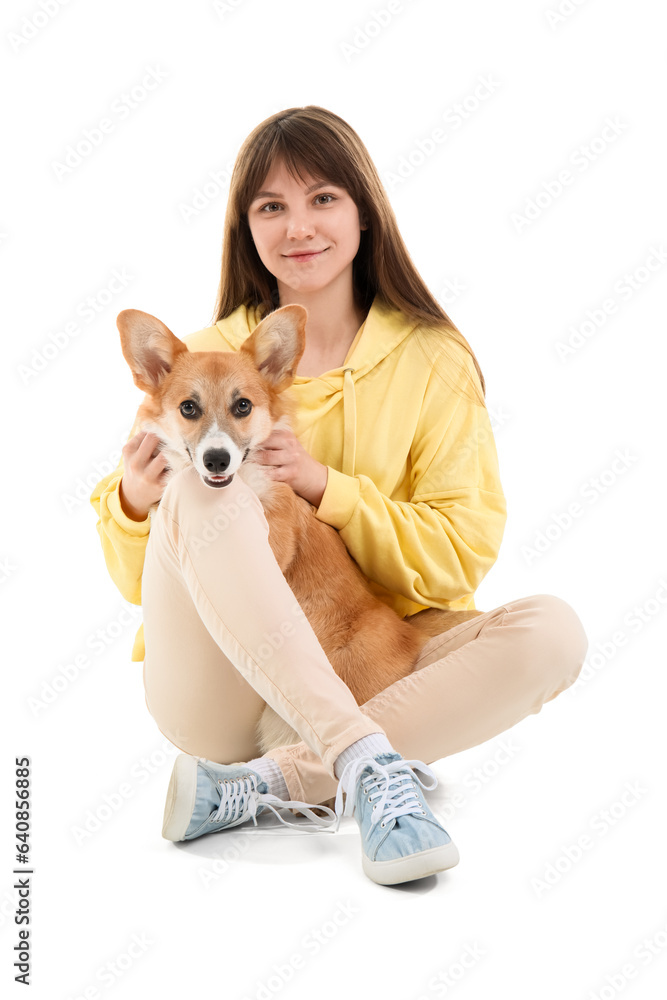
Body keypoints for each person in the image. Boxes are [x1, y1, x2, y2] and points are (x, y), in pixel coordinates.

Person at [90, 105, 589, 886]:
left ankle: (269, 786)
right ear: (244, 226)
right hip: (224, 684)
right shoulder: (201, 367)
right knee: (205, 488)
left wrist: (328, 489)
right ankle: (364, 762)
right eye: (270, 206)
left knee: (553, 632)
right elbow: (137, 586)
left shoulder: (434, 359)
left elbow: (460, 553)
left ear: (364, 212)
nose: (299, 226)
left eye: (322, 197)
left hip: (376, 652)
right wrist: (132, 502)